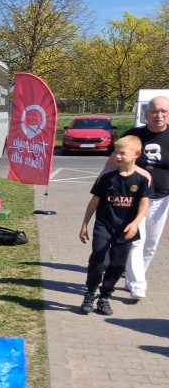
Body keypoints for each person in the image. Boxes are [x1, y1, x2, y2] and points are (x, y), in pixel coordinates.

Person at [79, 135, 150, 316]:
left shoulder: (143, 178)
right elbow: (94, 201)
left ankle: (104, 297)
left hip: (125, 230)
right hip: (104, 226)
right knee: (99, 262)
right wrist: (85, 224)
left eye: (122, 153)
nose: (117, 156)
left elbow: (144, 204)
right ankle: (90, 292)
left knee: (117, 265)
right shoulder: (106, 177)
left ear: (136, 154)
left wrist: (135, 223)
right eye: (116, 152)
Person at [115, 95, 169, 300]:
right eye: (154, 111)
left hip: (161, 199)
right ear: (146, 114)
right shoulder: (134, 135)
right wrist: (103, 185)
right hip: (134, 199)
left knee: (151, 244)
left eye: (164, 111)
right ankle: (138, 284)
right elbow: (116, 161)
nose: (159, 115)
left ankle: (133, 277)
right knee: (137, 239)